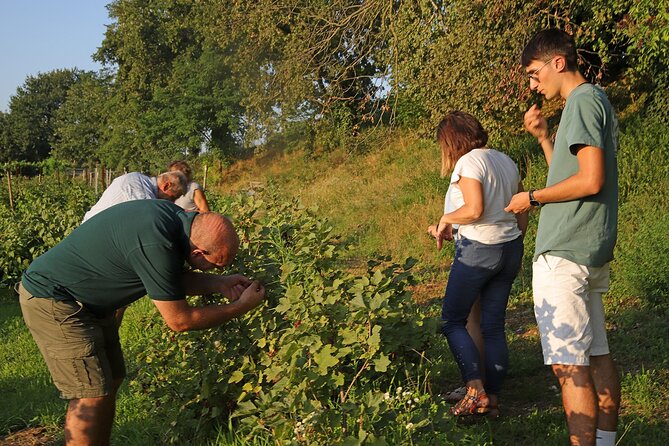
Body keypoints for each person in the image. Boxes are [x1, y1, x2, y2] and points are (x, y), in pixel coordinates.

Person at [19, 199, 265, 445]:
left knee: (111, 380)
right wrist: (239, 307)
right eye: (217, 265)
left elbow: (167, 279)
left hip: (89, 303)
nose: (218, 270)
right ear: (198, 252)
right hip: (55, 299)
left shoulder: (177, 222)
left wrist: (219, 283)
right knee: (90, 394)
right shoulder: (156, 241)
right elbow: (180, 320)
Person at [505, 28, 620, 446]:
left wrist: (530, 198)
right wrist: (542, 138)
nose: (533, 85)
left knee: (568, 366)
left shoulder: (583, 100)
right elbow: (571, 174)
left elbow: (590, 180)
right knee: (595, 354)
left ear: (558, 63)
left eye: (534, 74)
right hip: (584, 248)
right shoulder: (589, 101)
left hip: (565, 252)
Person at [427, 111, 528, 417]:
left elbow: (473, 209)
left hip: (478, 251)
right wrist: (513, 239)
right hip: (508, 249)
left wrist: (446, 218)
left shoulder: (468, 162)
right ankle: (493, 401)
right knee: (493, 326)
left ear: (451, 141)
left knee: (452, 320)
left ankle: (475, 390)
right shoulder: (504, 159)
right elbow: (520, 208)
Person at [82, 170, 188, 222]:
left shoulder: (141, 182)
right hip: (91, 234)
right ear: (166, 186)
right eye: (173, 197)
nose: (172, 202)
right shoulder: (140, 188)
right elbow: (150, 219)